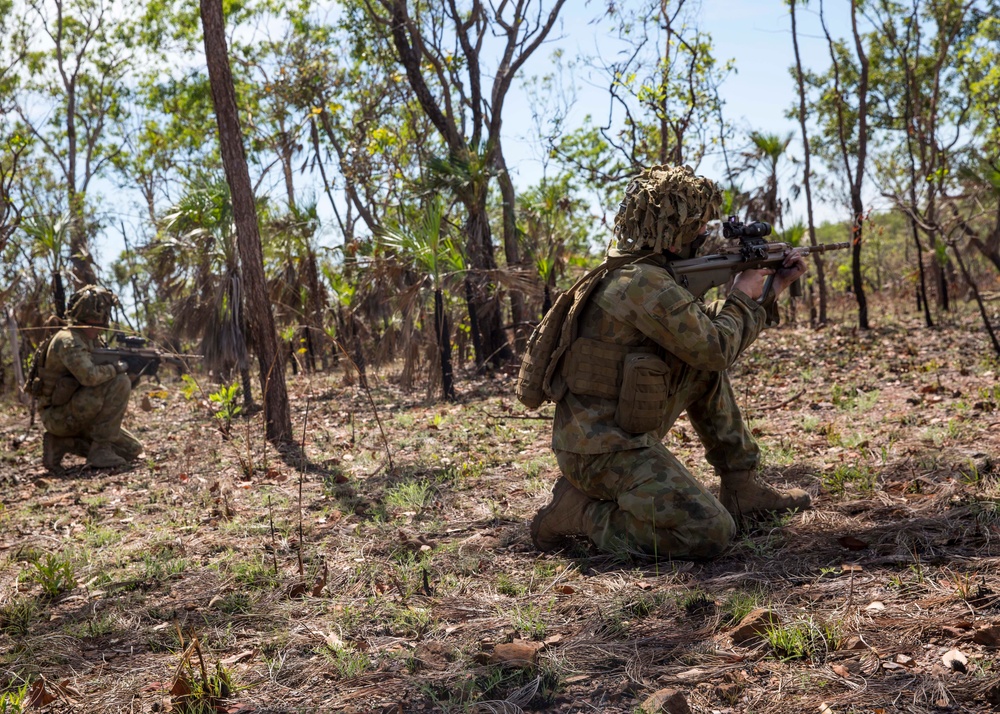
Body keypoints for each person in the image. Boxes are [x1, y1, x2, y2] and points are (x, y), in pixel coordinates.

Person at [529, 165, 810, 559]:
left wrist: (768, 289)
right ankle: (579, 513)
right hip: (602, 451)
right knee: (709, 531)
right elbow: (715, 345)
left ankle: (741, 486)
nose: (703, 234)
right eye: (697, 226)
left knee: (701, 368)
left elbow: (699, 336)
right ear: (672, 230)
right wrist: (744, 295)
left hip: (617, 433)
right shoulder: (642, 282)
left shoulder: (643, 273)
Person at [34, 285, 143, 473]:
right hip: (58, 416)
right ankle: (100, 449)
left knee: (132, 450)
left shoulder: (91, 340)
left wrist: (135, 371)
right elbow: (90, 377)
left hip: (79, 413)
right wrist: (118, 368)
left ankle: (62, 443)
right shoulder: (68, 340)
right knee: (120, 381)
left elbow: (109, 385)